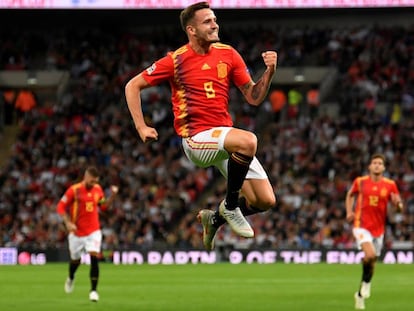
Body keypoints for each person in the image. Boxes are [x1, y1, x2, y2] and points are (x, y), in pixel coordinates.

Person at [125, 1, 278, 251]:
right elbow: (132, 85)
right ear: (191, 30)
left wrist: (270, 72)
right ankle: (229, 206)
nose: (215, 23)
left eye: (215, 19)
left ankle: (214, 219)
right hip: (196, 139)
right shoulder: (176, 60)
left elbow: (253, 97)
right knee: (248, 140)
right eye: (207, 21)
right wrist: (141, 126)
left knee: (264, 201)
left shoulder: (228, 53)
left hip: (223, 138)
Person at [345, 153, 403, 310]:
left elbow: (398, 206)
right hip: (361, 225)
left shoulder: (390, 185)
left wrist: (398, 205)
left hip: (379, 229)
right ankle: (366, 282)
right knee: (370, 255)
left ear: (383, 167)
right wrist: (349, 211)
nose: (377, 165)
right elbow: (350, 195)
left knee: (371, 262)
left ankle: (362, 289)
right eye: (374, 163)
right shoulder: (360, 182)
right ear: (370, 166)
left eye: (380, 163)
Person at [56, 166, 119, 302]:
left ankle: (93, 291)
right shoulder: (74, 190)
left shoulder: (98, 189)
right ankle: (71, 277)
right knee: (75, 261)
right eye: (91, 181)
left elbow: (103, 206)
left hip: (93, 231)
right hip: (76, 232)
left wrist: (113, 195)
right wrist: (67, 222)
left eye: (95, 182)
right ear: (86, 177)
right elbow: (60, 206)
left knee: (94, 257)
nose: (93, 184)